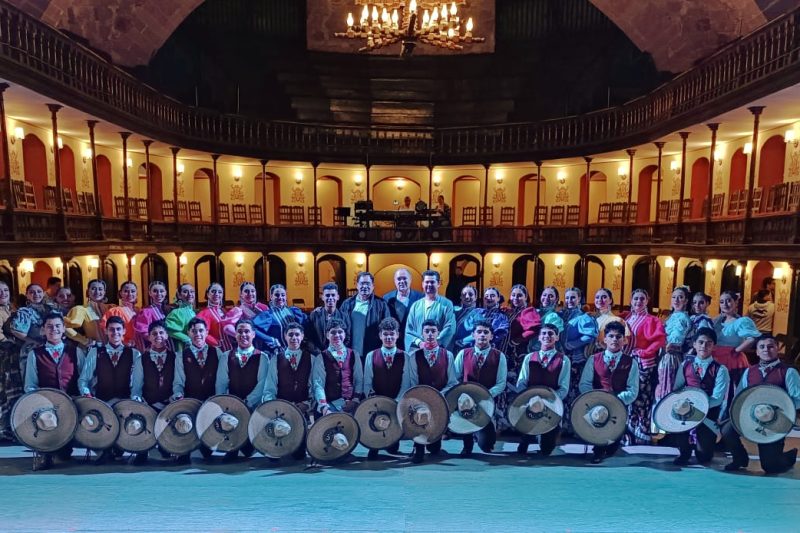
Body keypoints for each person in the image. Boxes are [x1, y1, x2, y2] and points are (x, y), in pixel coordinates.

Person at [722, 335, 800, 474]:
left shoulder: (788, 372)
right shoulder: (749, 371)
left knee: (770, 467)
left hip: (776, 420)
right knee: (727, 429)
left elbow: (798, 400)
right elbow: (740, 395)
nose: (766, 350)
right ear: (757, 351)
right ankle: (739, 458)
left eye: (771, 346)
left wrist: (781, 409)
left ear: (777, 349)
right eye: (762, 347)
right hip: (751, 415)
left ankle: (789, 456)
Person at [78, 315, 146, 464]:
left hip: (125, 400)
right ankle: (106, 450)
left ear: (123, 332)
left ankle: (137, 449)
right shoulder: (96, 352)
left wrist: (135, 397)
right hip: (104, 400)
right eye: (111, 330)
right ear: (106, 331)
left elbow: (137, 381)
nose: (115, 332)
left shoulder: (134, 354)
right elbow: (84, 379)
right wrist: (87, 394)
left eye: (118, 329)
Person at [23, 312, 86, 470]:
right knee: (47, 421)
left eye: (58, 326)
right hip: (46, 404)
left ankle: (67, 446)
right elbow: (30, 384)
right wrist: (39, 401)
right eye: (49, 326)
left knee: (65, 452)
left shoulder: (75, 352)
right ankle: (46, 453)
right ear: (43, 330)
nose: (54, 329)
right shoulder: (34, 355)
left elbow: (84, 379)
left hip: (71, 402)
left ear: (64, 328)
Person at [579, 321, 639, 464]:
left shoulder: (631, 362)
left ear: (624, 340)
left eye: (618, 337)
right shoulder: (593, 359)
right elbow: (584, 384)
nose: (614, 340)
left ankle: (612, 444)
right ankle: (597, 449)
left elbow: (633, 390)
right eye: (611, 336)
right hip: (597, 405)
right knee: (599, 425)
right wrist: (597, 398)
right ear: (604, 339)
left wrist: (616, 399)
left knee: (612, 447)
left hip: (618, 405)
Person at [671, 328, 730, 466]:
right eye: (701, 342)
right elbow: (677, 389)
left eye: (709, 343)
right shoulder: (685, 364)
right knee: (677, 416)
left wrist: (698, 407)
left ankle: (704, 445)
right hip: (685, 411)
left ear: (714, 346)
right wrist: (685, 405)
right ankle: (684, 451)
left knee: (704, 457)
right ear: (694, 344)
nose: (704, 346)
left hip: (708, 414)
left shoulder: (721, 369)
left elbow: (717, 398)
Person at [215, 319, 268, 461]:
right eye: (240, 331)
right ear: (235, 335)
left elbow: (262, 384)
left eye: (247, 331)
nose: (243, 335)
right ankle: (232, 445)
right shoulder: (226, 356)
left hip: (253, 406)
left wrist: (247, 402)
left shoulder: (262, 357)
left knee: (248, 451)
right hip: (232, 407)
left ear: (253, 334)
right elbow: (221, 383)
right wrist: (225, 404)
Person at [453, 319, 507, 456]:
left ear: (491, 336)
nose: (482, 335)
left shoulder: (499, 356)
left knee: (486, 446)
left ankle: (486, 433)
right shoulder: (463, 354)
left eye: (486, 332)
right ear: (473, 335)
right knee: (466, 417)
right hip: (466, 400)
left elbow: (501, 383)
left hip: (486, 401)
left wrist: (486, 394)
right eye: (479, 332)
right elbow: (454, 378)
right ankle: (467, 444)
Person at [516, 323, 571, 457]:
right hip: (530, 403)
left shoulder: (564, 360)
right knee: (522, 448)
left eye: (551, 334)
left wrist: (549, 401)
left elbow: (563, 388)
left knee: (546, 450)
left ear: (557, 337)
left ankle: (545, 437)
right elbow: (521, 382)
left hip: (551, 405)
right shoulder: (529, 358)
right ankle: (527, 437)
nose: (547, 336)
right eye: (544, 334)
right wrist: (529, 399)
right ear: (539, 338)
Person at [262, 321, 314, 460]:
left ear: (302, 336)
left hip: (302, 408)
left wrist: (307, 404)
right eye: (290, 335)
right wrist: (274, 408)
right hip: (281, 410)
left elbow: (315, 387)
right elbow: (269, 388)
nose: (294, 338)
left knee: (299, 456)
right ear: (285, 336)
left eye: (297, 334)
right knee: (273, 457)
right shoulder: (276, 359)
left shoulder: (312, 359)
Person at [407, 319, 457, 463]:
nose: (430, 334)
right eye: (426, 331)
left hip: (440, 399)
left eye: (433, 331)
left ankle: (435, 442)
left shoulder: (448, 355)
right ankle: (418, 447)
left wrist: (439, 395)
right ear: (422, 334)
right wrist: (424, 396)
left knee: (434, 449)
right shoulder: (414, 356)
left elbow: (452, 382)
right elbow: (413, 381)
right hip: (420, 399)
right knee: (420, 416)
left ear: (438, 333)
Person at [172, 317, 221, 462]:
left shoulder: (217, 353)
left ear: (207, 332)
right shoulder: (181, 356)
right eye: (194, 331)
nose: (197, 334)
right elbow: (178, 381)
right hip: (190, 401)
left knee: (207, 450)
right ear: (188, 333)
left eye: (201, 330)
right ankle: (185, 449)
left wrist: (218, 398)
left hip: (210, 400)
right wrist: (178, 394)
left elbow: (221, 380)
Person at [362, 317, 411, 459]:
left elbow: (406, 382)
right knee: (375, 423)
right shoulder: (371, 355)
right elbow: (367, 381)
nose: (389, 337)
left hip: (396, 400)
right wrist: (373, 399)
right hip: (377, 400)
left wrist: (397, 401)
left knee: (393, 445)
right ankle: (374, 445)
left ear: (397, 335)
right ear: (380, 335)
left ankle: (392, 441)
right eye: (385, 334)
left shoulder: (405, 357)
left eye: (392, 334)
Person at [624, 289, 666, 444]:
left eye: (642, 299)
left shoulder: (652, 320)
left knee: (641, 397)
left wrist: (645, 352)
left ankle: (641, 432)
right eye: (635, 299)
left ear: (647, 301)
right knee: (629, 396)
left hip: (644, 363)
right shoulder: (627, 318)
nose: (638, 302)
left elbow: (659, 340)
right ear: (631, 300)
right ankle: (627, 431)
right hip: (628, 362)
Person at [558, 287, 597, 433]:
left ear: (579, 299)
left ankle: (575, 427)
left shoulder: (583, 317)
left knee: (574, 392)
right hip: (562, 358)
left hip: (576, 360)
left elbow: (590, 335)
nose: (569, 301)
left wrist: (572, 344)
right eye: (567, 298)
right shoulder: (561, 315)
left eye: (573, 298)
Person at [713, 290, 760, 409]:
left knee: (730, 390)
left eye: (729, 300)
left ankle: (727, 416)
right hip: (716, 358)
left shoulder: (741, 321)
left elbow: (751, 339)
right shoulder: (717, 321)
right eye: (722, 301)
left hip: (732, 359)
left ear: (735, 303)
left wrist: (736, 351)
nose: (725, 304)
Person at [312, 318, 363, 415]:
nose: (337, 335)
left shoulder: (354, 354)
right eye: (333, 332)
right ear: (327, 335)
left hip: (351, 404)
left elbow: (359, 379)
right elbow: (318, 384)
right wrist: (324, 407)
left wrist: (355, 400)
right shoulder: (321, 357)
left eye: (340, 332)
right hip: (329, 405)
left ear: (344, 334)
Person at [339, 272, 390, 360]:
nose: (365, 286)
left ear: (373, 286)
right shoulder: (347, 304)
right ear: (357, 285)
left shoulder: (382, 304)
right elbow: (339, 327)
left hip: (373, 353)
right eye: (362, 283)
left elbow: (387, 328)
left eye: (368, 284)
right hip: (350, 353)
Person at [7, 283, 54, 375]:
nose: (36, 294)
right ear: (27, 295)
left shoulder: (51, 309)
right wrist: (33, 341)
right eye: (32, 292)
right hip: (33, 350)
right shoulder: (24, 312)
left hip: (52, 348)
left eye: (39, 291)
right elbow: (16, 330)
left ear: (43, 293)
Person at [405, 270, 456, 353]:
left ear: (438, 283)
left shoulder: (447, 304)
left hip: (438, 350)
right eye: (427, 282)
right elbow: (409, 330)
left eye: (432, 282)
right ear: (422, 284)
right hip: (418, 350)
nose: (429, 285)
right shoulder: (415, 306)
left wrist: (435, 342)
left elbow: (450, 327)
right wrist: (419, 343)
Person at [131, 320, 177, 411]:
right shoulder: (141, 360)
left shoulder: (176, 358)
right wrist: (137, 402)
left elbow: (179, 383)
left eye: (161, 333)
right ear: (149, 337)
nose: (158, 336)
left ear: (167, 336)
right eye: (154, 334)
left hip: (171, 406)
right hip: (148, 406)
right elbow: (137, 387)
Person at [658, 286, 692, 402]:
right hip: (663, 356)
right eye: (674, 297)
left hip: (674, 357)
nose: (676, 300)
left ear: (686, 301)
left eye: (680, 297)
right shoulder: (669, 317)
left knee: (671, 387)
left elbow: (686, 342)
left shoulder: (685, 318)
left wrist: (674, 347)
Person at [253, 284, 307, 352]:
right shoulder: (267, 315)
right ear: (271, 296)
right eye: (277, 295)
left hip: (297, 351)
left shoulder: (293, 311)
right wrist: (270, 339)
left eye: (283, 295)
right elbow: (253, 329)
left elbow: (306, 324)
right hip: (277, 353)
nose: (280, 297)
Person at [501, 285, 540, 378]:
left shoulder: (528, 311)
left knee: (517, 378)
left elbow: (534, 330)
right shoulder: (513, 311)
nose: (515, 298)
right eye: (513, 295)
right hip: (507, 349)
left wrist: (515, 341)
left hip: (518, 351)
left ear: (526, 297)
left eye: (519, 295)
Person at [0, 281, 22, 440]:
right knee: (6, 390)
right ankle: (6, 427)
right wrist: (10, 342)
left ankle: (14, 425)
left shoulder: (13, 309)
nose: (3, 293)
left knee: (15, 390)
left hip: (15, 356)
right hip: (5, 356)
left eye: (6, 290)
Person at [65, 279, 113, 348]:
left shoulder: (111, 308)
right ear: (87, 291)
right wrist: (84, 340)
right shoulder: (81, 309)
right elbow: (65, 326)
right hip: (94, 350)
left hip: (113, 350)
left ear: (104, 292)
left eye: (100, 289)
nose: (97, 292)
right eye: (93, 289)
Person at [383, 268, 423, 351]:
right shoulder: (387, 298)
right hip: (394, 343)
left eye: (404, 278)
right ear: (395, 281)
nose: (401, 281)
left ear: (410, 279)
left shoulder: (420, 297)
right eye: (399, 279)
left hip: (414, 343)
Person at [306, 282, 350, 355]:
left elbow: (347, 338)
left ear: (337, 297)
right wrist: (319, 354)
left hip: (338, 356)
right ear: (322, 297)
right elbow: (309, 338)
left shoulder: (344, 316)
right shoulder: (314, 315)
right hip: (317, 356)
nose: (330, 298)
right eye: (327, 295)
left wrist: (336, 352)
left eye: (333, 295)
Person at [196, 283, 237, 352]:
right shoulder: (204, 313)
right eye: (213, 291)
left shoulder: (225, 311)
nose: (217, 294)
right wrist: (217, 343)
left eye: (220, 292)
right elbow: (202, 333)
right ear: (208, 294)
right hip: (215, 350)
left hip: (231, 348)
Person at [132, 281, 172, 351]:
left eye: (161, 291)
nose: (159, 294)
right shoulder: (146, 311)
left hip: (171, 344)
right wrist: (156, 339)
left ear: (165, 292)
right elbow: (143, 331)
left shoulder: (170, 310)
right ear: (150, 293)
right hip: (155, 346)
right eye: (155, 291)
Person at [101, 281, 139, 348]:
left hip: (141, 347)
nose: (130, 294)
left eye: (133, 291)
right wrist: (124, 341)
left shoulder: (139, 311)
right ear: (120, 293)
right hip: (122, 347)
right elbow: (105, 327)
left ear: (136, 293)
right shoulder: (114, 311)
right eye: (126, 291)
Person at [592, 288, 630, 353]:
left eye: (604, 297)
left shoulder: (617, 319)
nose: (600, 300)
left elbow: (625, 340)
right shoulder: (591, 318)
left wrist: (605, 347)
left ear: (610, 300)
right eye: (597, 297)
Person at [528, 286, 564, 352]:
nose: (546, 298)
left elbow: (550, 338)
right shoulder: (536, 311)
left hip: (543, 352)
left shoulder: (553, 316)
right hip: (530, 350)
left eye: (551, 296)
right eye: (544, 295)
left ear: (556, 299)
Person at [165, 283, 197, 353]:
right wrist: (186, 338)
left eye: (192, 291)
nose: (190, 294)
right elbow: (169, 330)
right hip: (182, 349)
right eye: (185, 292)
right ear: (179, 295)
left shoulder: (194, 312)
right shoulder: (176, 312)